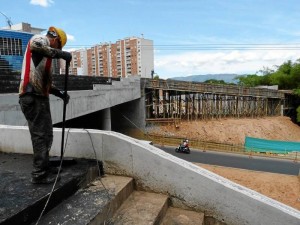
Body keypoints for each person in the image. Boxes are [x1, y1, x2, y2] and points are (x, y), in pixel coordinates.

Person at [19, 26, 72, 184]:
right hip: (31, 96)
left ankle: (45, 166)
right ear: (55, 40)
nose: (57, 49)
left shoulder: (45, 58)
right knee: (40, 136)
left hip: (40, 97)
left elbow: (47, 83)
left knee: (47, 133)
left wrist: (60, 94)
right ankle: (39, 174)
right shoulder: (40, 40)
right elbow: (37, 46)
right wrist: (62, 54)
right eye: (59, 47)